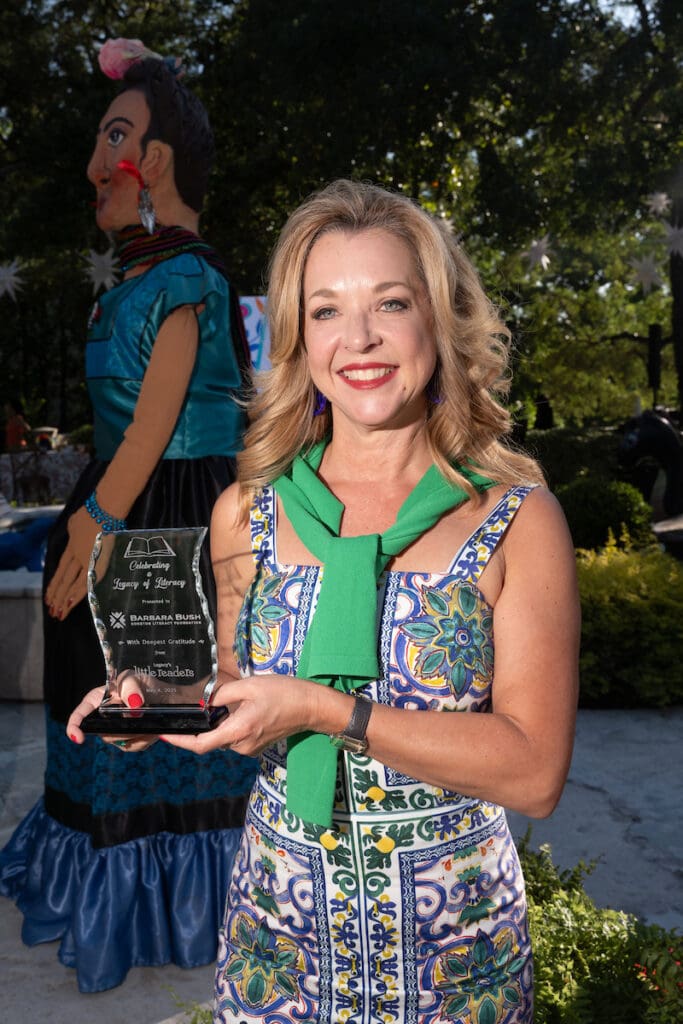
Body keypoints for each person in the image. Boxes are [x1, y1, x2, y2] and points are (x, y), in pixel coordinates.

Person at [69, 179, 580, 1021]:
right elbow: (238, 698)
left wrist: (325, 709)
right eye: (326, 311)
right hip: (278, 942)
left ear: (439, 322)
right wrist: (158, 708)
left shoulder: (516, 519)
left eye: (390, 302)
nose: (361, 339)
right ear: (296, 341)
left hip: (454, 961)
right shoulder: (247, 511)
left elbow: (533, 773)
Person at [0, 39, 257, 993]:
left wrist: (95, 519)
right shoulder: (140, 281)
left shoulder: (189, 278)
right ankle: (102, 866)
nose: (90, 165)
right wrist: (92, 513)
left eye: (112, 136)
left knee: (154, 696)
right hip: (120, 502)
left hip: (173, 517)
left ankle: (177, 890)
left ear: (151, 161)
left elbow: (155, 425)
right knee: (101, 698)